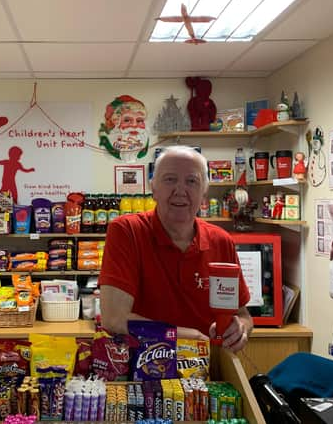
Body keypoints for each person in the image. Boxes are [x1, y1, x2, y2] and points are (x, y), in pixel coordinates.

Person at [99, 146, 253, 352]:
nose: (180, 191)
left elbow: (243, 315)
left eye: (191, 181)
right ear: (153, 188)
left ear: (203, 191)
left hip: (209, 370)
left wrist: (241, 328)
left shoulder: (221, 241)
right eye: (170, 179)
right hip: (144, 367)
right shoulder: (127, 231)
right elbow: (114, 319)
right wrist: (186, 336)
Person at [98, 95, 150, 162]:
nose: (134, 125)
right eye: (127, 120)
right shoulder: (109, 140)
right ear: (116, 121)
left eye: (139, 120)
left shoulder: (144, 138)